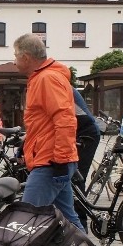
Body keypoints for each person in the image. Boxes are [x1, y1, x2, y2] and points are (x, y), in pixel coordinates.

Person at [12, 33, 83, 229]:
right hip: (53, 159)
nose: (14, 61)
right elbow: (44, 123)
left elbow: (65, 119)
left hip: (50, 161)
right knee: (68, 218)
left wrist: (60, 160)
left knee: (27, 217)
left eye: (16, 55)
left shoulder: (46, 79)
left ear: (26, 57)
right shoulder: (42, 77)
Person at [72, 88, 101, 230]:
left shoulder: (53, 83)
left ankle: (81, 224)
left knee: (76, 178)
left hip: (86, 134)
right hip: (78, 131)